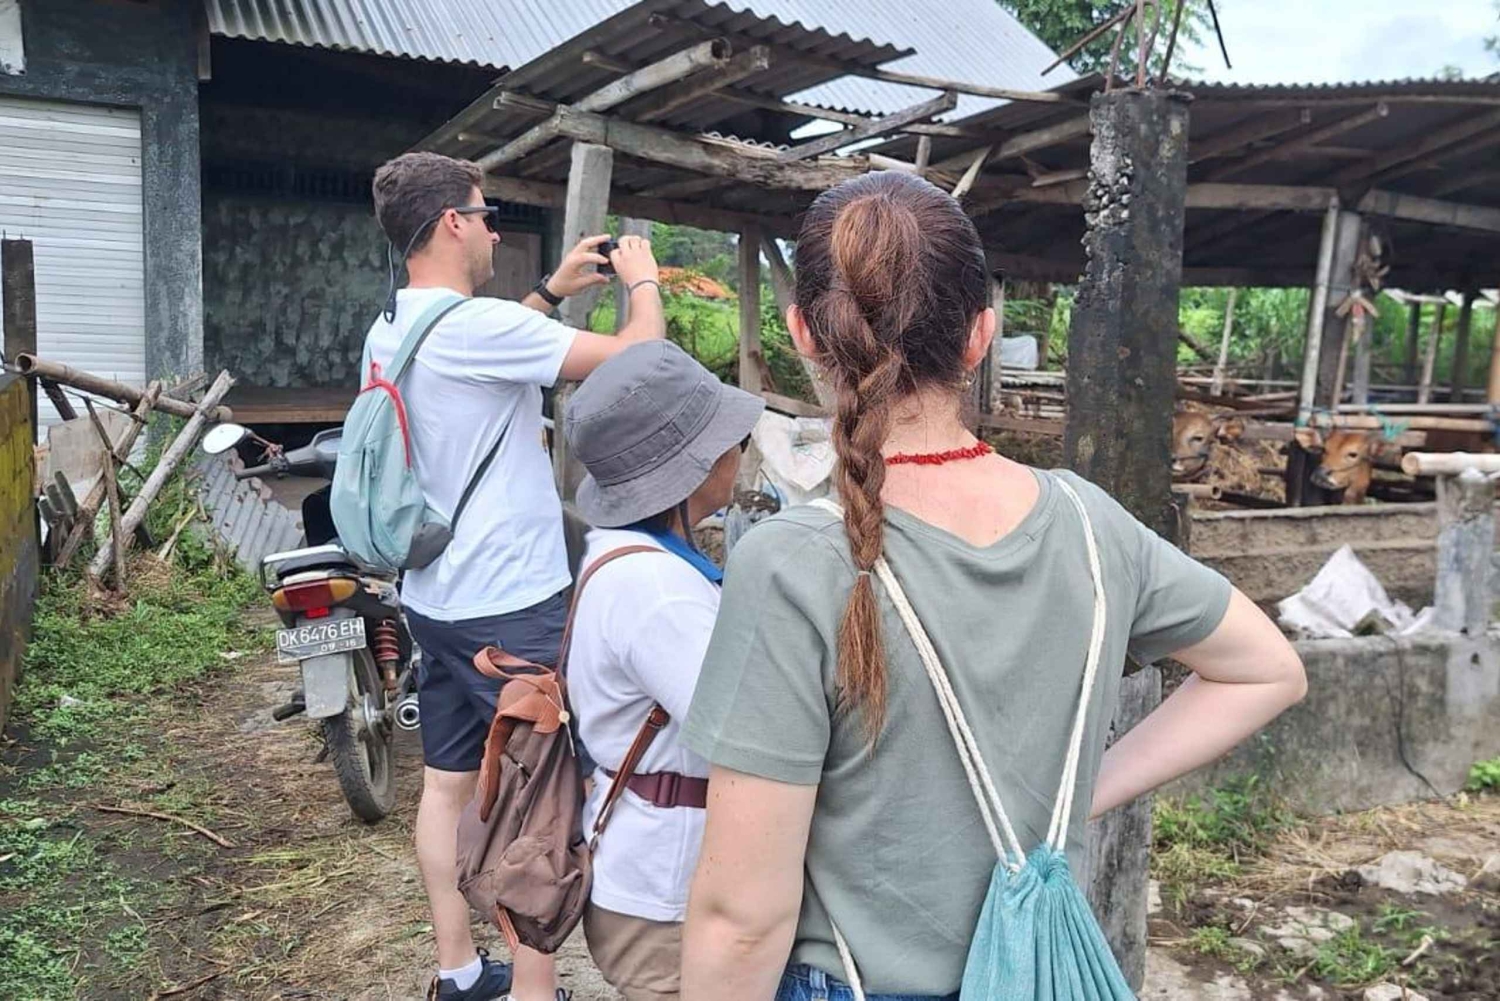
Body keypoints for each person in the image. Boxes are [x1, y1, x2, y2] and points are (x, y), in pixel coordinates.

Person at [679, 171, 1308, 1001]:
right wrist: (1070, 796)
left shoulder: (792, 559)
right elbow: (1268, 669)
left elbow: (742, 917)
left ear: (802, 331)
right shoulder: (1090, 523)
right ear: (982, 335)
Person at [363, 151, 666, 1001]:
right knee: (539, 799)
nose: (494, 231)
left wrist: (553, 290)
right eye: (486, 214)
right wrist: (642, 280)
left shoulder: (394, 326)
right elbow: (639, 357)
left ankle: (459, 971)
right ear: (452, 223)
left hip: (433, 601)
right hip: (512, 609)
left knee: (447, 786)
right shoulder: (477, 328)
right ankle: (535, 993)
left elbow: (491, 353)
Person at [562, 340, 764, 1001]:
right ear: (692, 467)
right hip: (664, 898)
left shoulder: (631, 555)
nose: (740, 450)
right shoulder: (657, 591)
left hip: (648, 873)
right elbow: (746, 726)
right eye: (731, 439)